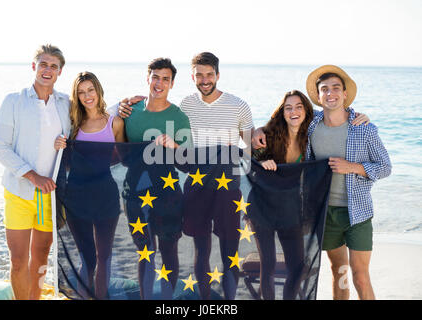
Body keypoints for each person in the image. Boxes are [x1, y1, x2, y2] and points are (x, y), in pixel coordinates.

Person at [118, 52, 254, 300]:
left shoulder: (236, 106)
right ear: (192, 77)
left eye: (210, 74)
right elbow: (114, 122)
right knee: (199, 252)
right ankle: (202, 299)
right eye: (199, 75)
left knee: (229, 253)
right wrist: (118, 104)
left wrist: (262, 140)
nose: (205, 79)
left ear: (218, 75)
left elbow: (249, 148)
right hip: (191, 188)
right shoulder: (185, 106)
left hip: (226, 187)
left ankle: (227, 303)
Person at [253, 65, 391, 300]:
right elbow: (288, 118)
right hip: (324, 213)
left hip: (357, 212)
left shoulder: (364, 128)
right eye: (324, 89)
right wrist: (256, 131)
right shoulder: (312, 124)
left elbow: (385, 167)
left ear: (345, 94)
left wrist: (354, 167)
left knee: (359, 276)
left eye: (336, 88)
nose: (330, 94)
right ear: (318, 97)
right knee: (339, 271)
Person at [0, 44, 70, 300]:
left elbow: (95, 114)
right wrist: (33, 176)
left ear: (60, 72)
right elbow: (1, 149)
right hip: (19, 193)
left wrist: (126, 104)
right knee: (17, 260)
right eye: (43, 64)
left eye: (53, 66)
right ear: (34, 66)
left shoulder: (65, 104)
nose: (47, 70)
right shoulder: (13, 101)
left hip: (50, 198)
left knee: (40, 258)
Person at [112, 57, 191, 299]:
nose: (159, 83)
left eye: (165, 79)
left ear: (172, 83)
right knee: (145, 252)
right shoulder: (129, 111)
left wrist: (175, 146)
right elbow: (120, 153)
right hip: (135, 193)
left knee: (168, 252)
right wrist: (117, 109)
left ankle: (166, 302)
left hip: (168, 195)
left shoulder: (179, 117)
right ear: (148, 79)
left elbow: (188, 163)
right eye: (155, 77)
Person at [54, 71, 125, 299]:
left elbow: (125, 157)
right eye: (81, 92)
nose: (87, 96)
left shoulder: (115, 122)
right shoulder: (71, 124)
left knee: (104, 257)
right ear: (77, 96)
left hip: (105, 196)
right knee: (87, 259)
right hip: (76, 198)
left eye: (90, 90)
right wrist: (57, 145)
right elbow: (61, 161)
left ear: (98, 90)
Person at [247, 90, 314, 300]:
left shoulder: (310, 136)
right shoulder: (267, 134)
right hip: (261, 207)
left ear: (306, 111)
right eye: (288, 108)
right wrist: (260, 162)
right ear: (282, 113)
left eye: (298, 107)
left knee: (299, 266)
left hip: (290, 209)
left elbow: (333, 114)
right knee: (268, 264)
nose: (293, 111)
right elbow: (247, 161)